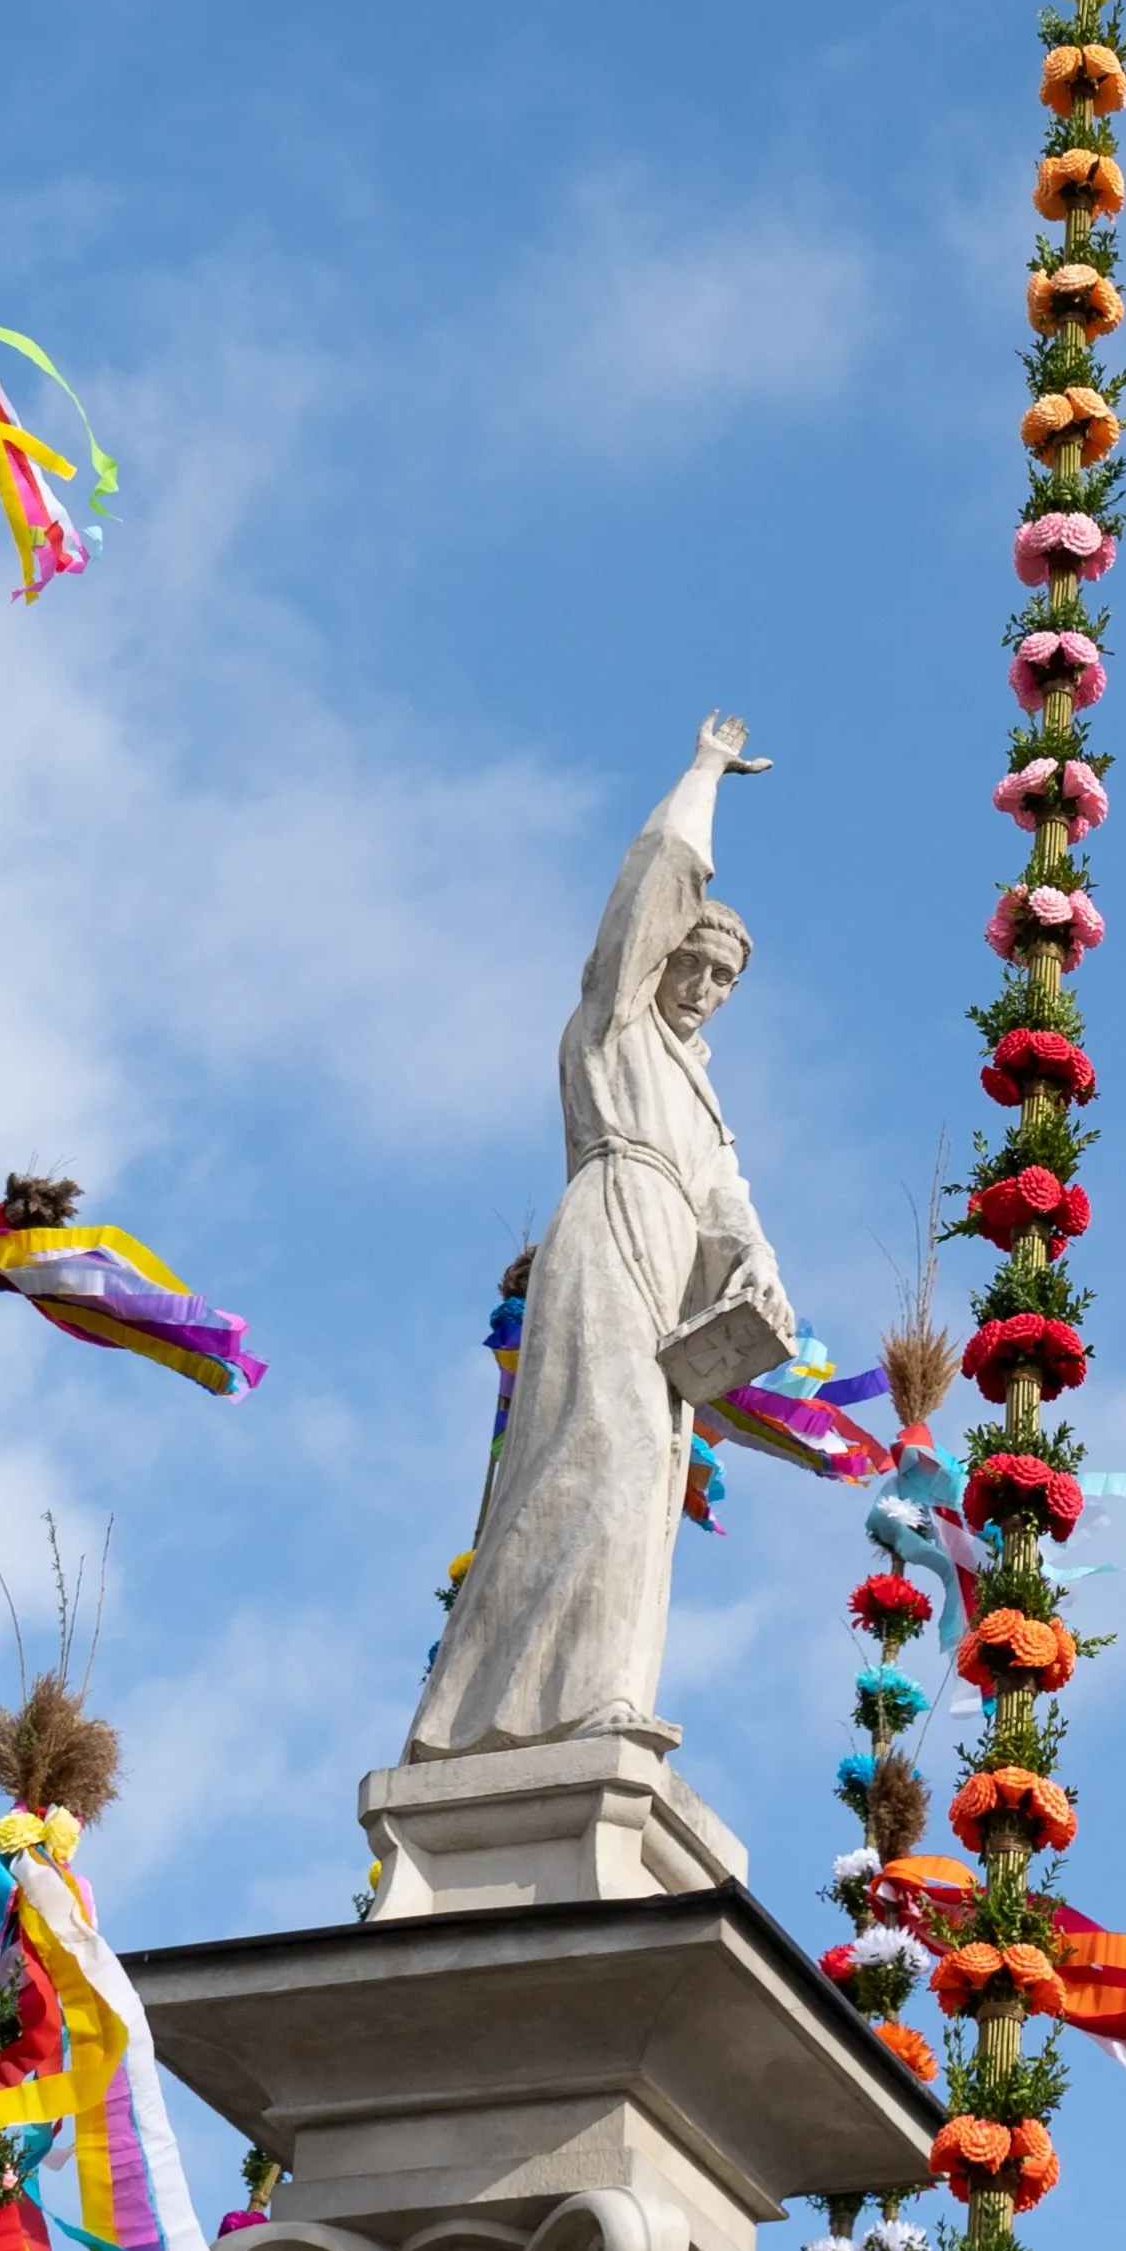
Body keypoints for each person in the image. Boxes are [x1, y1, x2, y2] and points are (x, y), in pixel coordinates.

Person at [405, 715, 796, 1758]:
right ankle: (522, 1708)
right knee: (600, 1448)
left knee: (649, 1473)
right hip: (609, 1222)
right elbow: (657, 871)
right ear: (661, 956)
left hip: (673, 1257)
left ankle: (603, 1688)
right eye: (695, 962)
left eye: (725, 980)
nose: (705, 988)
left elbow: (727, 1198)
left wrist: (754, 1263)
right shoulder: (613, 1022)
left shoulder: (703, 1095)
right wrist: (707, 772)